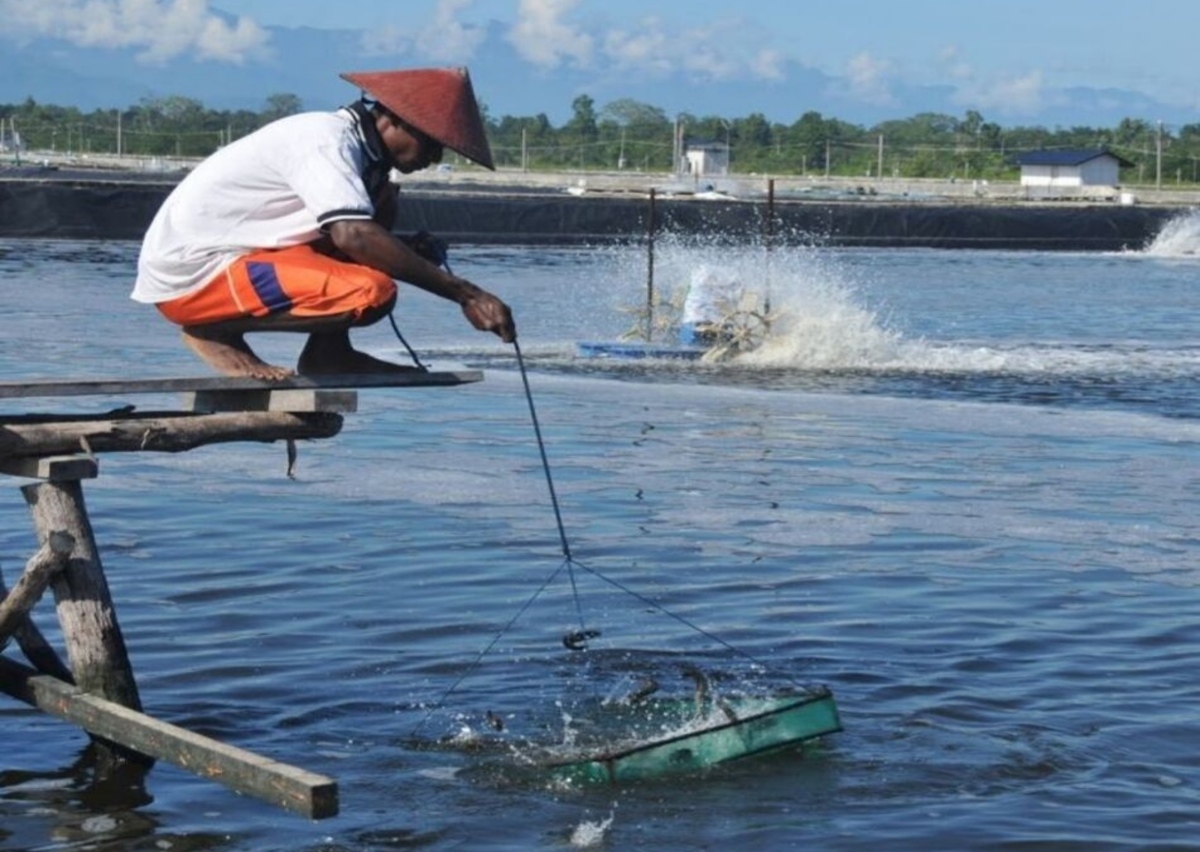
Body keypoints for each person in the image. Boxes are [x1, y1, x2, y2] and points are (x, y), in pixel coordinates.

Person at [132, 67, 515, 380]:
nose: (432, 159)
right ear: (395, 120)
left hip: (241, 259)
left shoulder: (365, 161)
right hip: (195, 275)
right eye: (431, 145)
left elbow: (360, 233)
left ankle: (329, 356)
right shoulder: (325, 140)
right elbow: (352, 236)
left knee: (381, 211)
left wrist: (405, 250)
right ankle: (214, 330)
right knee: (372, 293)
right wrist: (467, 294)